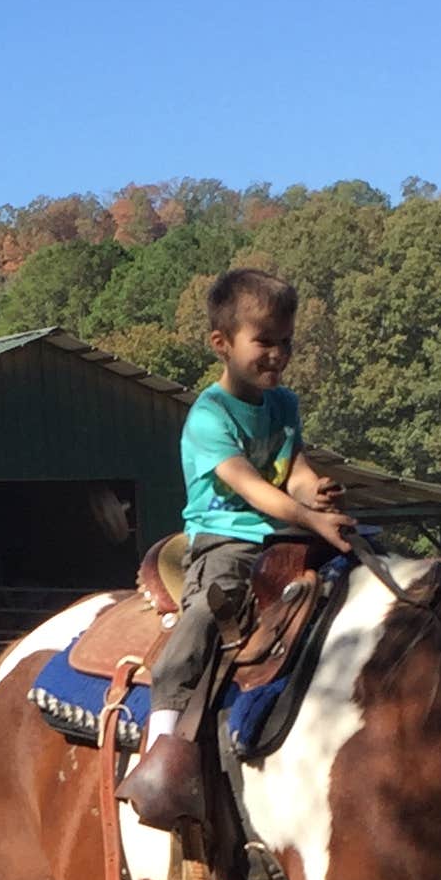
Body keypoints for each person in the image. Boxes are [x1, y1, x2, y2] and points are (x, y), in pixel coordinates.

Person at [121, 268, 357, 829]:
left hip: (283, 533)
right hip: (226, 539)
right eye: (264, 341)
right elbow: (252, 487)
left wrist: (315, 493)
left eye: (286, 341)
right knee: (203, 619)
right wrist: (307, 516)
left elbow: (292, 471)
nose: (277, 354)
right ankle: (162, 750)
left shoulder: (283, 404)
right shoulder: (209, 416)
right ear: (222, 344)